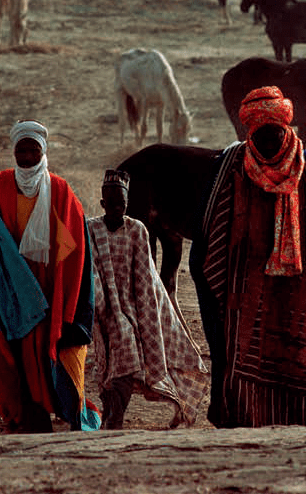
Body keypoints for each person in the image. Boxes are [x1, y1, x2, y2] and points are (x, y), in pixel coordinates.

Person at [189, 86, 306, 428]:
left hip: (305, 285)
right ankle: (245, 415)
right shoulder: (231, 167)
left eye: (275, 132)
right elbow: (210, 229)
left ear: (286, 129)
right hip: (248, 287)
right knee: (242, 354)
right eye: (260, 134)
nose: (268, 141)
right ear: (249, 132)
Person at [0, 120, 100, 433]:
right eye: (22, 150)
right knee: (15, 353)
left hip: (48, 289)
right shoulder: (1, 184)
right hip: (12, 287)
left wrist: (61, 296)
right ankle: (29, 416)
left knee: (48, 351)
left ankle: (60, 410)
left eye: (34, 149)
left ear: (43, 151)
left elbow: (74, 247)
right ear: (14, 152)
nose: (28, 156)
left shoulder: (59, 189)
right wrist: (10, 281)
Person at [87, 169, 209, 429]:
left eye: (122, 203)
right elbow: (91, 271)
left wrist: (144, 318)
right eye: (111, 203)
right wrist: (102, 305)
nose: (117, 208)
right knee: (108, 365)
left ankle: (115, 419)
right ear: (102, 203)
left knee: (127, 352)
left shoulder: (137, 230)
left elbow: (145, 278)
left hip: (133, 307)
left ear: (127, 203)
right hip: (102, 306)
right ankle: (111, 412)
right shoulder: (91, 229)